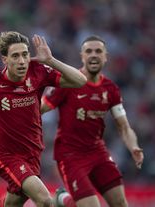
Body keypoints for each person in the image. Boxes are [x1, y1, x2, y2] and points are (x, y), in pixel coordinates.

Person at [0, 31, 87, 207]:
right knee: (44, 200)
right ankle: (59, 199)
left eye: (25, 55)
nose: (21, 61)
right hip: (7, 157)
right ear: (5, 59)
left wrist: (50, 60)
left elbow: (80, 81)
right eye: (15, 56)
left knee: (12, 204)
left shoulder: (38, 73)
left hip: (33, 154)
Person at [41, 35, 144, 207]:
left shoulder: (110, 89)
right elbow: (40, 108)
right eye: (89, 51)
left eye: (98, 51)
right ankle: (63, 198)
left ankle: (63, 199)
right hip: (70, 155)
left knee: (120, 203)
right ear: (82, 56)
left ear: (105, 56)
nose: (93, 55)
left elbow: (124, 127)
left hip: (97, 152)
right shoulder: (68, 82)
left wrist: (133, 146)